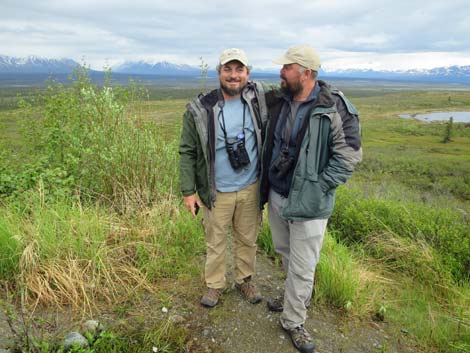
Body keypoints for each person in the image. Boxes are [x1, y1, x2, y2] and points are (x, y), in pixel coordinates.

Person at [259, 44, 362, 353]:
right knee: (286, 253)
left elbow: (350, 157)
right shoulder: (279, 100)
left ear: (306, 72)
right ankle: (294, 296)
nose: (281, 72)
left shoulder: (336, 107)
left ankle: (294, 321)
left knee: (304, 265)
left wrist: (318, 187)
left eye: (287, 68)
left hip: (310, 204)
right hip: (278, 194)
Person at [179, 48, 270, 308]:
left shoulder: (258, 99)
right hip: (216, 190)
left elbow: (295, 93)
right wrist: (188, 191)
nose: (233, 75)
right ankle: (214, 286)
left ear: (247, 73)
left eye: (239, 69)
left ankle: (245, 280)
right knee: (216, 241)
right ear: (219, 73)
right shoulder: (200, 109)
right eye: (227, 69)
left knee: (247, 239)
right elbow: (186, 151)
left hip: (251, 187)